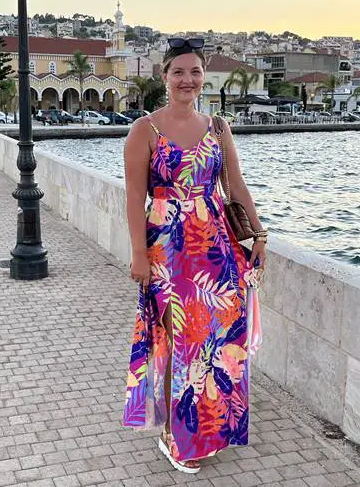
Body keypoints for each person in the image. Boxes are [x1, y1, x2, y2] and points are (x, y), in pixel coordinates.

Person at [121, 38, 266, 474]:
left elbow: (235, 187)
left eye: (195, 72)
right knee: (177, 340)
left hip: (217, 249)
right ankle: (174, 435)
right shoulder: (144, 130)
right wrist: (138, 254)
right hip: (166, 249)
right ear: (163, 77)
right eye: (179, 72)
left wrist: (258, 233)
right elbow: (133, 198)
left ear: (204, 77)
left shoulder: (219, 128)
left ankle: (213, 428)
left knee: (219, 341)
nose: (188, 80)